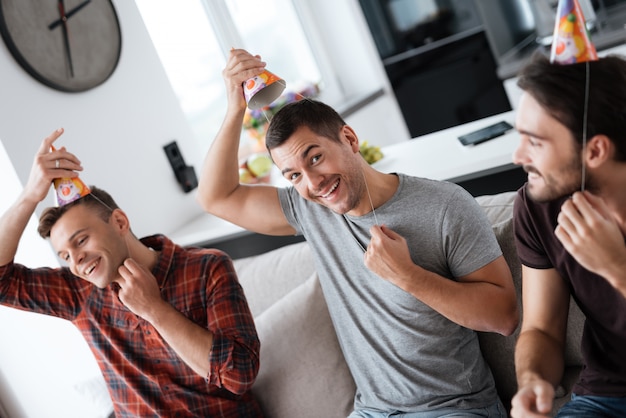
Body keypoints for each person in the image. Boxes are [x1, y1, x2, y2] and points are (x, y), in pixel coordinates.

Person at [197, 48, 519, 417]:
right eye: (293, 175)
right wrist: (234, 108)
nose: (313, 183)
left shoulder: (445, 206)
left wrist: (409, 277)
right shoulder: (310, 211)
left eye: (315, 157)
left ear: (349, 139)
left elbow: (504, 316)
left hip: (452, 408)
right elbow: (216, 197)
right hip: (371, 411)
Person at [0, 128, 264, 417]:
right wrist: (28, 197)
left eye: (81, 240)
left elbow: (239, 376)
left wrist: (154, 309)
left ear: (120, 222)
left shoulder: (207, 269)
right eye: (65, 256)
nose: (76, 261)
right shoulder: (81, 293)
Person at [509, 52, 626, 418]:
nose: (517, 156)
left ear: (595, 150)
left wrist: (616, 267)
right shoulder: (538, 206)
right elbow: (541, 328)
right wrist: (533, 381)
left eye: (535, 142)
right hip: (607, 397)